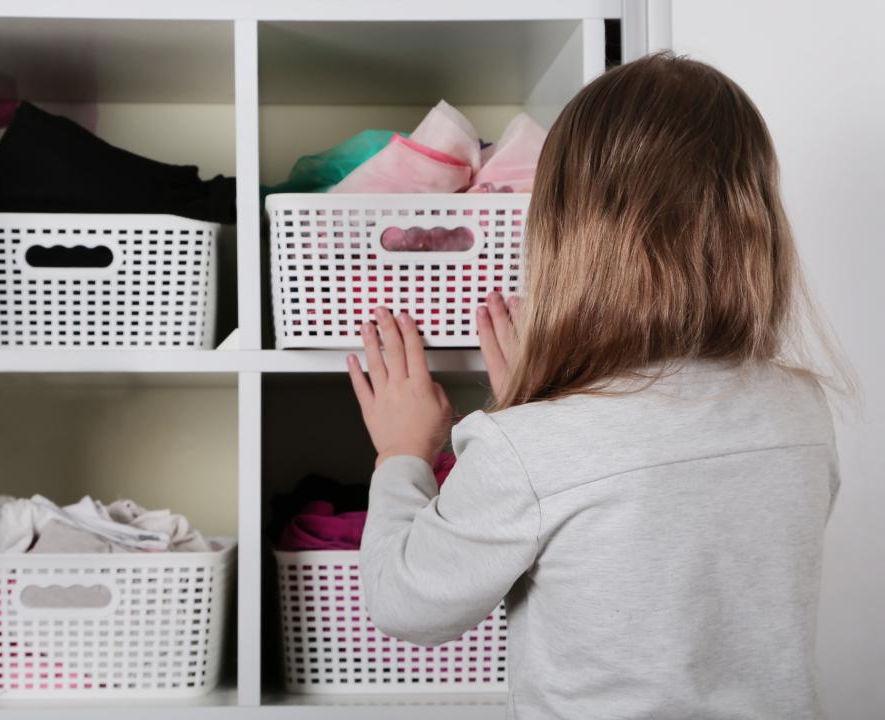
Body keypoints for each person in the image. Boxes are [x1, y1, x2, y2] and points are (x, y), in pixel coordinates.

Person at [346, 53, 843, 720]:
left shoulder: (530, 446)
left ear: (562, 230)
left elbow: (405, 603)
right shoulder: (800, 411)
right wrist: (548, 408)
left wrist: (402, 454)